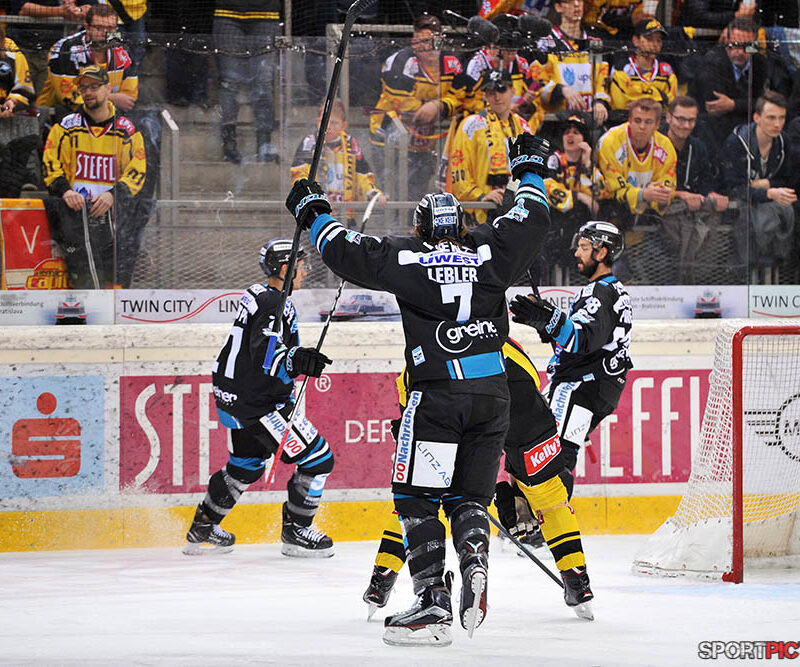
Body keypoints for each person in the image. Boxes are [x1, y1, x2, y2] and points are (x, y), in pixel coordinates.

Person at [286, 132, 552, 646]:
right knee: (469, 498)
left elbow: (344, 251)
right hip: (492, 396)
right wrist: (529, 169)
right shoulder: (490, 250)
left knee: (415, 497)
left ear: (420, 228)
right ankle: (473, 557)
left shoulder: (406, 256)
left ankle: (432, 602)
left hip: (437, 396)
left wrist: (311, 208)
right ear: (462, 226)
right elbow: (532, 217)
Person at [363, 337, 595, 623]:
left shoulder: (426, 348)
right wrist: (519, 485)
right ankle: (577, 581)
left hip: (453, 401)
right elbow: (526, 398)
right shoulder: (506, 341)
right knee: (550, 497)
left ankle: (382, 577)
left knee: (420, 498)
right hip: (521, 400)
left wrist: (407, 429)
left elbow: (411, 404)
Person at [183, 239, 336, 557]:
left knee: (245, 465)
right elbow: (265, 349)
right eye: (301, 265)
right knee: (319, 459)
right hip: (259, 403)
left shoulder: (261, 297)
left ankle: (204, 526)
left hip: (235, 397)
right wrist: (296, 360)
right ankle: (297, 531)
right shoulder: (272, 303)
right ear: (285, 268)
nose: (305, 271)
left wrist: (294, 358)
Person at [509, 221, 632, 499]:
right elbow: (576, 341)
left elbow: (583, 339)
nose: (577, 252)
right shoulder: (608, 290)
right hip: (594, 385)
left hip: (581, 385)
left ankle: (546, 516)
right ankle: (529, 511)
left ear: (602, 252)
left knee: (550, 452)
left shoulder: (601, 293)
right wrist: (545, 322)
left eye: (584, 247)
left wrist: (550, 319)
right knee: (538, 442)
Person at [42, 64, 146, 288]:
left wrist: (113, 195)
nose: (88, 92)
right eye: (84, 88)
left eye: (94, 86)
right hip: (75, 215)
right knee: (84, 282)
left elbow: (137, 171)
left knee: (114, 282)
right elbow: (50, 164)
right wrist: (65, 191)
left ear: (108, 88)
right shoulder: (65, 127)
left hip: (114, 215)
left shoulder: (127, 130)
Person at [369, 14, 466, 201]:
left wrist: (438, 105)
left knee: (417, 197)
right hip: (388, 140)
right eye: (424, 41)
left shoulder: (451, 63)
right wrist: (430, 107)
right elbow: (400, 102)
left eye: (435, 40)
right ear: (414, 42)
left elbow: (461, 97)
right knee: (393, 196)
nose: (430, 47)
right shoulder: (399, 62)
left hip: (423, 142)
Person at [719, 91, 796, 279]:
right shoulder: (737, 142)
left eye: (782, 118)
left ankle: (780, 268)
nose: (777, 124)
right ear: (756, 118)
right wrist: (768, 193)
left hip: (768, 208)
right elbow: (732, 188)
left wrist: (766, 184)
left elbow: (788, 180)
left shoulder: (783, 141)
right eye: (771, 118)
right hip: (737, 211)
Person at [448, 69, 533, 224]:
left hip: (517, 209)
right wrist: (480, 197)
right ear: (485, 96)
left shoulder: (524, 127)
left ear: (513, 91)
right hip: (481, 210)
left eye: (502, 89)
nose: (497, 97)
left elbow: (531, 170)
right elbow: (459, 169)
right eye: (491, 92)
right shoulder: (471, 125)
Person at [660, 96, 729, 284]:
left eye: (691, 120)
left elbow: (705, 181)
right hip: (663, 215)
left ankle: (694, 278)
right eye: (680, 119)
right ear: (669, 118)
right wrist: (680, 195)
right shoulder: (656, 143)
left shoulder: (698, 146)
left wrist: (711, 194)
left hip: (691, 211)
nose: (685, 125)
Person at [290, 99, 386, 219]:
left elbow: (362, 175)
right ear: (318, 121)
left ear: (343, 125)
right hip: (317, 214)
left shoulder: (351, 144)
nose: (328, 127)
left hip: (345, 213)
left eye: (334, 123)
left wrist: (373, 193)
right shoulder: (309, 143)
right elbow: (299, 176)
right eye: (324, 121)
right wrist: (314, 196)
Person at [36, 5, 138, 115]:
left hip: (107, 116)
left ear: (116, 29)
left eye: (110, 28)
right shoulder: (65, 48)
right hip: (57, 115)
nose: (105, 33)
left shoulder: (124, 50)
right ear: (87, 27)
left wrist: (107, 100)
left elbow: (128, 99)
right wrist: (111, 98)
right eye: (98, 28)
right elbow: (69, 97)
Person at [691, 19, 774, 154]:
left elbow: (764, 104)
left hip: (746, 126)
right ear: (726, 41)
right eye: (734, 45)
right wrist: (747, 104)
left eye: (746, 46)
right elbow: (716, 107)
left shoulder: (760, 63)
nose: (740, 52)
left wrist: (733, 105)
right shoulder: (711, 61)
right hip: (711, 127)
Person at [213, 0, 281, 164]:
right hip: (227, 13)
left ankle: (264, 143)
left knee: (263, 83)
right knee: (229, 82)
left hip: (267, 16)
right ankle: (228, 143)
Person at [539, 113, 605, 282]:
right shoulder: (554, 160)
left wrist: (588, 163)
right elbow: (547, 188)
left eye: (576, 132)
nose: (570, 136)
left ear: (584, 139)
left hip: (580, 227)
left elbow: (599, 193)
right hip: (554, 226)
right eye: (567, 132)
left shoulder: (589, 163)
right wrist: (578, 197)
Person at [595, 97, 677, 229]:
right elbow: (613, 189)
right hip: (612, 207)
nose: (642, 127)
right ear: (629, 120)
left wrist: (661, 193)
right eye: (637, 121)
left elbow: (667, 182)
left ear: (657, 125)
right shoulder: (610, 142)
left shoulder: (666, 146)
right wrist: (642, 194)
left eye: (648, 122)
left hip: (649, 208)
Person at [535, 0, 611, 128]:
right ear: (558, 7)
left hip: (588, 122)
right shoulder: (545, 42)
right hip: (555, 122)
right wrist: (560, 89)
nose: (576, 4)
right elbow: (537, 83)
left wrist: (600, 101)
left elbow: (602, 78)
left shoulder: (594, 42)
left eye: (579, 0)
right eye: (569, 1)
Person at [6, 0, 95, 94]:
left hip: (53, 50)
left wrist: (78, 10)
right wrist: (61, 11)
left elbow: (92, 7)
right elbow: (22, 9)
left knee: (45, 94)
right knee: (20, 93)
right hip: (21, 48)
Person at [609, 19, 677, 118]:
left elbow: (670, 104)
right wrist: (659, 98)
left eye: (659, 40)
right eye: (649, 39)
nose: (655, 45)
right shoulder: (622, 68)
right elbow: (620, 104)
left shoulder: (666, 71)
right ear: (635, 41)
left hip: (658, 122)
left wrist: (637, 98)